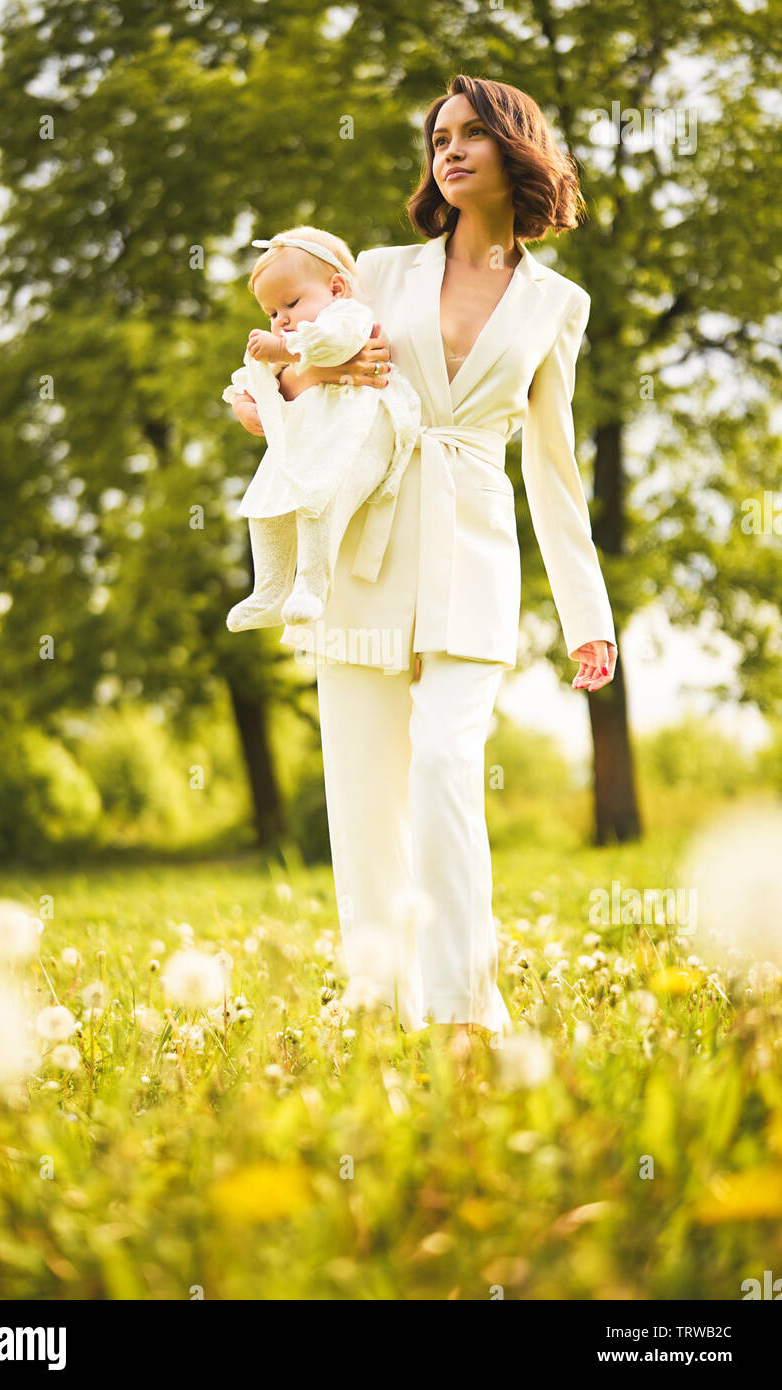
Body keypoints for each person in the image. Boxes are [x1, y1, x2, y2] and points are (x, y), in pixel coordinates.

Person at [229, 76, 618, 1059]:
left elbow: (555, 468)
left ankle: (461, 1011)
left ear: (514, 151)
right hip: (367, 541)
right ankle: (379, 1003)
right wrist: (301, 373)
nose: (447, 150)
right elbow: (288, 364)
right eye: (437, 137)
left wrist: (588, 614)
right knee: (363, 793)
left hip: (476, 552)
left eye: (470, 134)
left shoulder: (556, 304)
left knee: (447, 761)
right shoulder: (386, 272)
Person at [222, 228, 420, 632]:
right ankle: (270, 590)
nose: (282, 320)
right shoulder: (291, 336)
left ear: (336, 287)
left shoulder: (347, 315)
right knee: (265, 505)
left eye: (291, 303)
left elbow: (337, 346)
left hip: (351, 431)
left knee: (318, 498)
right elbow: (252, 375)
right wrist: (244, 402)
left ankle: (312, 584)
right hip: (303, 437)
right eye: (272, 313)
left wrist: (281, 351)